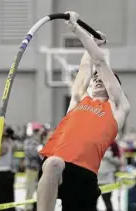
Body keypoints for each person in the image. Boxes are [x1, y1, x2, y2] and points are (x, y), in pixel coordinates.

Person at [37, 11, 130, 211]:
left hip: (85, 175)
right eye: (95, 79)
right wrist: (92, 42)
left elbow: (100, 63)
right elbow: (86, 68)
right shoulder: (78, 101)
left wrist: (78, 30)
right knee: (53, 164)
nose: (97, 79)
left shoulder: (118, 108)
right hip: (58, 166)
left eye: (102, 79)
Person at [97, 141, 121, 211]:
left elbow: (118, 162)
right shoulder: (93, 141)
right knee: (92, 203)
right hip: (94, 177)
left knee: (107, 201)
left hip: (107, 178)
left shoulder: (113, 143)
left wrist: (109, 157)